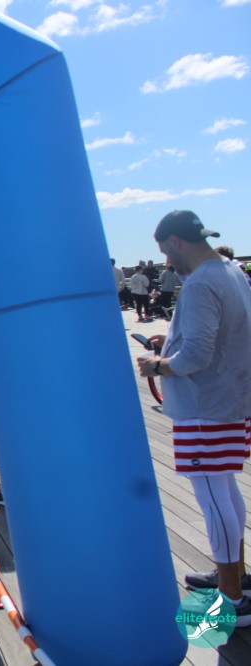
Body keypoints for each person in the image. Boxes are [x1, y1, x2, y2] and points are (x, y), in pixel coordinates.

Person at [136, 210, 251, 625]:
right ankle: (235, 576)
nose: (167, 261)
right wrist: (172, 341)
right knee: (225, 490)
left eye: (165, 251)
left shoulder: (201, 282)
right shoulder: (231, 271)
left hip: (206, 407)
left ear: (176, 241)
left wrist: (157, 365)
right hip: (230, 400)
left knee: (213, 497)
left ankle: (232, 598)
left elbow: (197, 357)